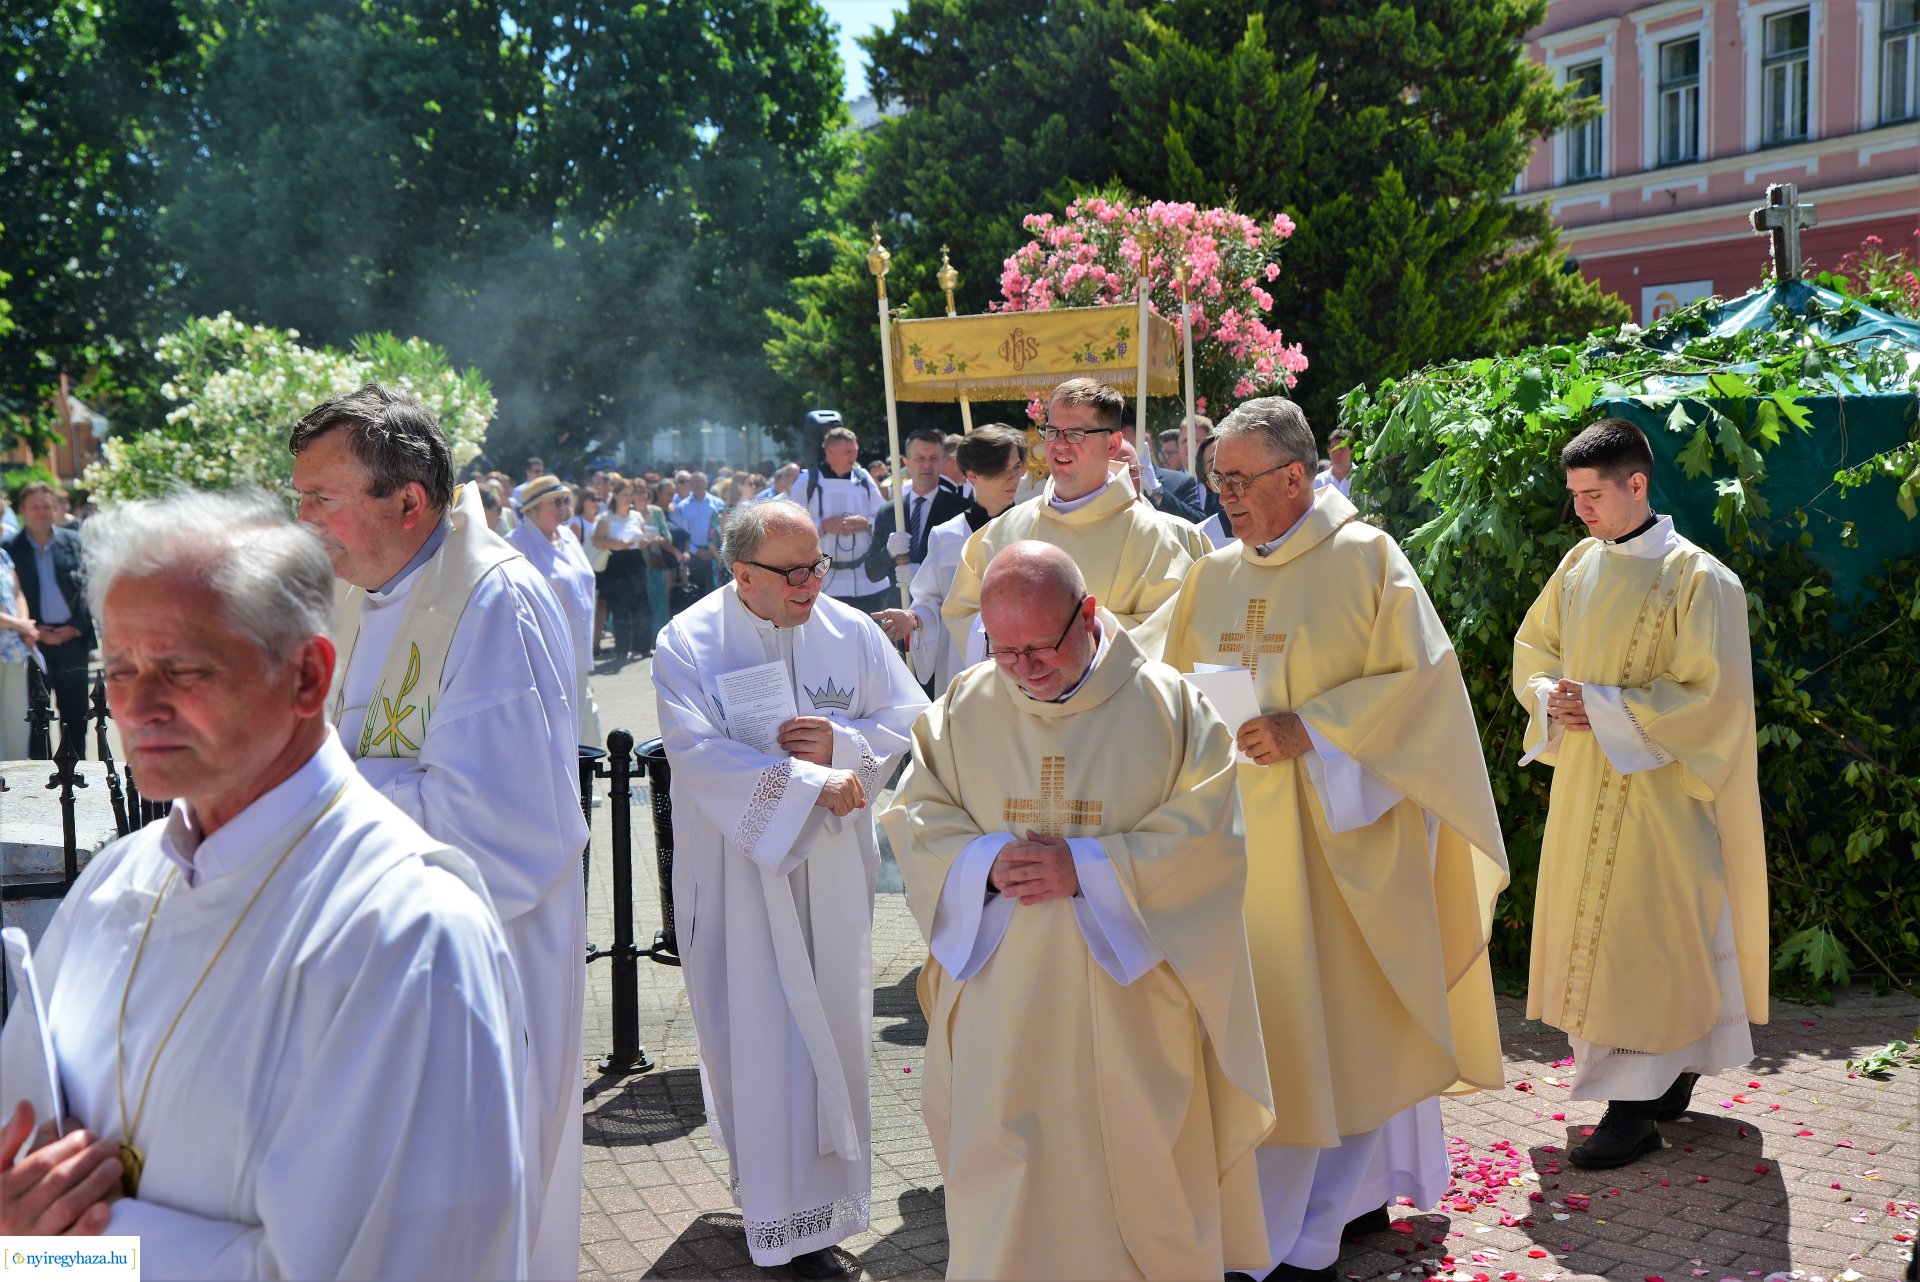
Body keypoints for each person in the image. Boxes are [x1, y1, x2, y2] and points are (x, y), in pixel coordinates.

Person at [0, 489, 527, 1278]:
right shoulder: (115, 879)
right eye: (119, 669)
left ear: (308, 676)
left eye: (183, 668)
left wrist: (61, 1255)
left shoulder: (406, 932)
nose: (138, 707)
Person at [1138, 397, 1508, 1281]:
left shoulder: (1368, 559)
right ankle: (1295, 1224)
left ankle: (1311, 1235)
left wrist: (1315, 730)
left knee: (1341, 1037)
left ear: (1297, 476)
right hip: (1238, 847)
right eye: (1217, 478)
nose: (1223, 495)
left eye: (1238, 479)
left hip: (1345, 846)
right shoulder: (1213, 573)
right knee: (1271, 1038)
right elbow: (1157, 674)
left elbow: (1424, 691)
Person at [879, 541, 1273, 1280]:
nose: (1024, 670)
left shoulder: (1171, 706)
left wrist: (1088, 867)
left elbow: (1211, 836)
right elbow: (917, 815)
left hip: (1132, 1005)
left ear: (1088, 615)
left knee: (1138, 1168)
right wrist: (984, 861)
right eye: (1004, 651)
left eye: (1040, 648)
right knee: (1004, 1170)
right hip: (1006, 997)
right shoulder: (967, 702)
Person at [288, 383, 586, 1281]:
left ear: (409, 501)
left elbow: (502, 828)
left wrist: (308, 793)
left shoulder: (494, 602)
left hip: (475, 966)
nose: (303, 523)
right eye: (298, 497)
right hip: (377, 961)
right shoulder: (359, 592)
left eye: (322, 499)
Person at [651, 499, 927, 1279]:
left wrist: (845, 750)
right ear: (744, 574)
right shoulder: (690, 642)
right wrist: (811, 779)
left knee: (834, 1020)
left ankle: (830, 1202)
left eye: (819, 566)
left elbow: (909, 717)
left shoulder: (851, 630)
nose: (813, 582)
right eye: (794, 571)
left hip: (832, 869)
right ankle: (772, 1208)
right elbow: (695, 753)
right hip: (742, 871)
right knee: (757, 1028)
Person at [1511, 417, 1767, 1170]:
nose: (1582, 510)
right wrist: (1549, 696)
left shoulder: (1702, 580)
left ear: (1637, 484)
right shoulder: (1578, 567)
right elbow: (1537, 648)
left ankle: (1631, 1115)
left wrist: (1610, 709)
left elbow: (1713, 700)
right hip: (1588, 787)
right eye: (1574, 496)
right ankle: (1669, 1074)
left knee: (1639, 945)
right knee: (1618, 941)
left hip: (1662, 798)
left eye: (1593, 494)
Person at [942, 378, 1210, 661]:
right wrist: (1018, 641)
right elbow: (962, 612)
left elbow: (1167, 631)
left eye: (1076, 434)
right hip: (1020, 701)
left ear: (1112, 445)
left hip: (1108, 701)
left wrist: (1078, 636)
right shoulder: (1003, 530)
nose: (1059, 445)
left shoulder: (1153, 536)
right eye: (1053, 431)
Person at [871, 424, 1026, 696]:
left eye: (1016, 467)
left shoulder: (1033, 526)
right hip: (961, 658)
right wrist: (913, 618)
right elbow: (931, 601)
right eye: (1002, 470)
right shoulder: (947, 535)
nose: (1013, 478)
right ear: (973, 474)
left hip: (1022, 654)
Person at [509, 475, 602, 744]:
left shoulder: (568, 536)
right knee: (553, 725)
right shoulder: (516, 543)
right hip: (543, 653)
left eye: (566, 500)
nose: (564, 507)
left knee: (579, 718)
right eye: (556, 502)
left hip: (578, 649)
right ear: (533, 509)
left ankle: (581, 778)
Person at [4, 482, 93, 755]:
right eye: (34, 507)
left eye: (47, 506)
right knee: (36, 718)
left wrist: (76, 628)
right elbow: (11, 595)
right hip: (32, 643)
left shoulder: (74, 542)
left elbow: (91, 588)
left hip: (72, 642)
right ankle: (40, 781)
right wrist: (32, 628)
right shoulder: (9, 548)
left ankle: (76, 779)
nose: (41, 512)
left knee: (76, 717)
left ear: (55, 508)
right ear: (22, 511)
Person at [861, 427, 971, 603]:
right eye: (920, 458)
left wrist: (923, 574)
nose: (927, 465)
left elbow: (969, 569)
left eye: (933, 458)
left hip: (942, 612)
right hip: (900, 610)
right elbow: (871, 572)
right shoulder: (889, 511)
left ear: (943, 462)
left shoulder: (961, 509)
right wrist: (888, 553)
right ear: (906, 463)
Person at [791, 425, 890, 613]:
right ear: (830, 451)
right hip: (825, 580)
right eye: (848, 452)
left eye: (855, 451)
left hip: (865, 580)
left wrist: (866, 523)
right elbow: (790, 524)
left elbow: (883, 517)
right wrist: (823, 526)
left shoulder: (864, 479)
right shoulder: (808, 481)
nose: (854, 457)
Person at [593, 479, 655, 661]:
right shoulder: (606, 517)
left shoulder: (636, 516)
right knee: (620, 606)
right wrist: (619, 543)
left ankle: (642, 646)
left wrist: (644, 542)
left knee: (641, 604)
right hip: (617, 561)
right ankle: (622, 648)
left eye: (630, 495)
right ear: (616, 496)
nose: (629, 498)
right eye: (625, 495)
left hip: (635, 560)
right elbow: (597, 541)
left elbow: (642, 537)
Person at [1117, 433, 1207, 523]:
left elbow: (1198, 523)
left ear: (1146, 442)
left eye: (1129, 442)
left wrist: (1156, 490)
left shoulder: (1181, 482)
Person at [0, 545, 36, 759]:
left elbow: (18, 593)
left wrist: (24, 623)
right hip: (14, 634)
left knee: (16, 720)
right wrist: (21, 625)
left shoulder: (3, 555)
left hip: (14, 649)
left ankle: (15, 778)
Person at [671, 471, 727, 597]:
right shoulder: (682, 507)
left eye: (701, 481)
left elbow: (723, 530)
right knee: (697, 592)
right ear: (690, 484)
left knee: (716, 591)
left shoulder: (718, 504)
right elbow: (682, 535)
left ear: (707, 483)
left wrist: (715, 551)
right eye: (695, 481)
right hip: (694, 555)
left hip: (716, 554)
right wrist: (695, 551)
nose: (698, 484)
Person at [1195, 436, 1237, 549]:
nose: (1227, 470)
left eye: (1233, 459)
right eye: (1214, 467)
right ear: (1210, 485)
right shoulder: (1201, 539)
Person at [1314, 428, 1356, 497]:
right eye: (1334, 448)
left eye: (1342, 448)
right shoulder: (1318, 482)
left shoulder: (1363, 479)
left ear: (1352, 451)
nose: (1337, 452)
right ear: (1328, 450)